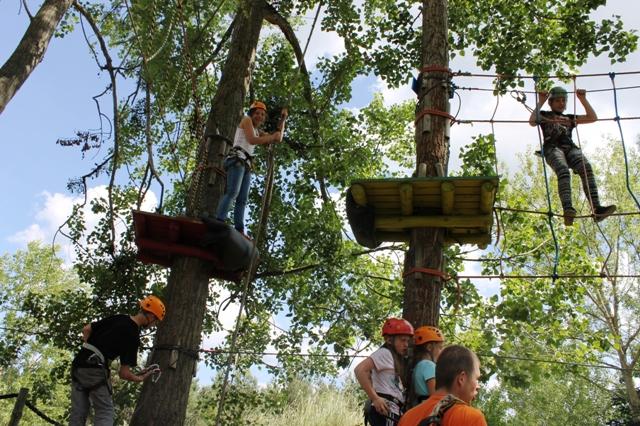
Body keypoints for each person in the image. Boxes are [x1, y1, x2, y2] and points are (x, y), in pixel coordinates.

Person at [69, 295, 166, 426]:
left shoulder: (120, 317)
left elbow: (86, 329)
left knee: (78, 412)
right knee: (105, 411)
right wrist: (140, 378)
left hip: (78, 365)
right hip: (96, 369)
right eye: (156, 321)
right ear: (151, 316)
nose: (154, 325)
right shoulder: (133, 335)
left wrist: (91, 351)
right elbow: (124, 374)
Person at [529, 86, 616, 226]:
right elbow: (532, 121)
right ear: (551, 103)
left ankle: (597, 208)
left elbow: (592, 117)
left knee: (586, 167)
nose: (561, 103)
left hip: (570, 148)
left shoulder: (570, 118)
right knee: (563, 170)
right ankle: (568, 209)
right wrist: (541, 101)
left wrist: (583, 99)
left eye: (563, 100)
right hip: (553, 148)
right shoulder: (544, 115)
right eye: (557, 100)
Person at [215, 101, 285, 233]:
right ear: (252, 114)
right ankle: (219, 220)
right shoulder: (246, 120)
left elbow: (278, 138)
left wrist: (283, 119)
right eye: (257, 113)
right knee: (233, 192)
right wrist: (270, 137)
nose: (259, 116)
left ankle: (239, 228)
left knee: (242, 199)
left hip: (245, 165)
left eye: (262, 114)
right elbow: (252, 140)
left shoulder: (258, 131)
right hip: (237, 160)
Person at [398, 345, 486, 426]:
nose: (478, 386)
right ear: (461, 379)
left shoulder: (407, 418)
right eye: (476, 379)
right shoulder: (471, 418)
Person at [355, 318, 414, 426]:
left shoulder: (396, 358)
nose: (406, 344)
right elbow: (360, 370)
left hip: (393, 411)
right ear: (389, 340)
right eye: (402, 340)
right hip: (386, 410)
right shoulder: (385, 353)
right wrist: (375, 398)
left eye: (407, 341)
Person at [411, 326, 445, 405]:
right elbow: (435, 395)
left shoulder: (418, 366)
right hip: (430, 408)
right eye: (440, 347)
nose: (441, 352)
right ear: (429, 347)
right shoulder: (428, 365)